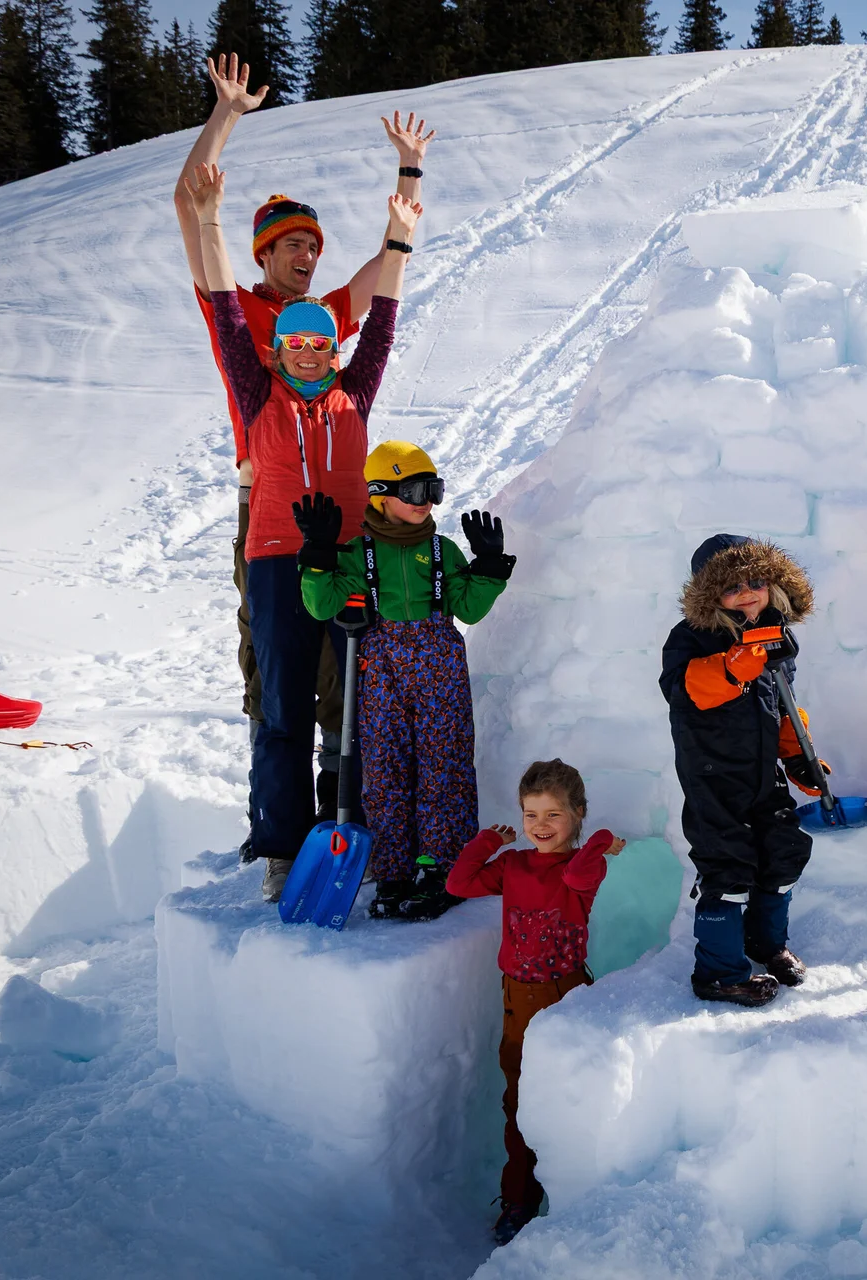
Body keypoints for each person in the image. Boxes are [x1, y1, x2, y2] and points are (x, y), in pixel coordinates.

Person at [172, 51, 435, 844]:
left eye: (313, 244)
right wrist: (223, 119)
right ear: (263, 254)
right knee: (274, 684)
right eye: (292, 244)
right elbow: (193, 209)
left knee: (340, 689)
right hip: (269, 510)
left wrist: (409, 183)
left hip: (339, 528)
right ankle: (277, 831)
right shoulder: (246, 324)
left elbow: (383, 289)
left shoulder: (323, 325)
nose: (307, 255)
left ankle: (338, 826)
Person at [296, 442, 515, 919]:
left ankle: (441, 866)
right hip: (380, 668)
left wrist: (488, 567)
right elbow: (322, 604)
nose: (426, 501)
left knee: (444, 763)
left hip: (438, 661)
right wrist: (316, 556)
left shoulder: (443, 550)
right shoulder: (357, 553)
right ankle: (393, 869)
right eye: (414, 490)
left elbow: (469, 608)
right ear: (379, 494)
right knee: (385, 766)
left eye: (433, 490)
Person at [446, 760, 624, 1244]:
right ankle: (519, 1198)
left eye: (553, 815)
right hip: (516, 998)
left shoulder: (583, 865)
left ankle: (573, 1189)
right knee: (518, 1098)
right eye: (530, 815)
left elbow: (576, 879)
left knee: (565, 1090)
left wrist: (601, 838)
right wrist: (489, 843)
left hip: (563, 992)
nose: (540, 827)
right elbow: (458, 885)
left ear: (577, 814)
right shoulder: (512, 865)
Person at [658, 535, 824, 1009]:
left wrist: (799, 756)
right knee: (728, 868)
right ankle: (718, 973)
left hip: (762, 773)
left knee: (783, 853)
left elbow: (785, 706)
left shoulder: (776, 636)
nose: (747, 592)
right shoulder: (689, 639)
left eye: (757, 581)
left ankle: (764, 944)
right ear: (711, 597)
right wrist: (740, 663)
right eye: (732, 587)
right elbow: (690, 690)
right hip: (713, 779)